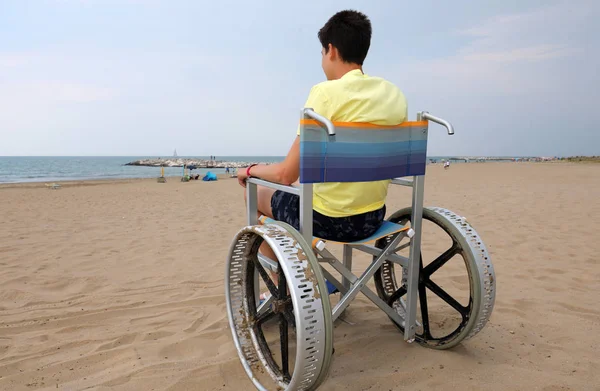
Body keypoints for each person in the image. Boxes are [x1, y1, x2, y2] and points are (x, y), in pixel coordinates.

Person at [237, 10, 407, 274]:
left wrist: (249, 170)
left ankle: (284, 282)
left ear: (331, 50)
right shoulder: (393, 94)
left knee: (258, 193)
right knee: (295, 192)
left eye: (321, 53)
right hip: (373, 218)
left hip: (328, 220)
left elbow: (285, 174)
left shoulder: (325, 93)